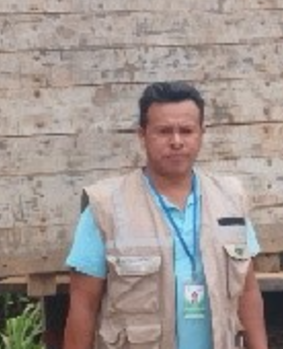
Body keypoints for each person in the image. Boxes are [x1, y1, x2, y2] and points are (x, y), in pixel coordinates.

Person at [63, 81, 268, 349]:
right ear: (142, 135)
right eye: (164, 131)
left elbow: (248, 292)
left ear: (202, 133)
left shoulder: (230, 199)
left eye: (187, 131)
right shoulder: (106, 207)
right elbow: (83, 305)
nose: (176, 142)